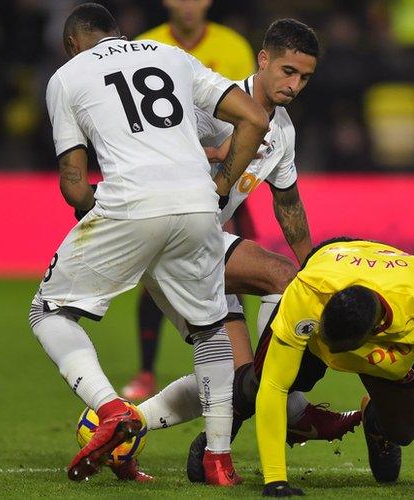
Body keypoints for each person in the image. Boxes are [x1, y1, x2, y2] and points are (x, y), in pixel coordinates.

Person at [28, 2, 268, 485]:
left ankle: (112, 409)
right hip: (199, 206)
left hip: (129, 203)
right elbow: (255, 119)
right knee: (210, 331)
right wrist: (221, 184)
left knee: (49, 312)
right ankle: (219, 462)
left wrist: (103, 213)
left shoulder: (68, 75)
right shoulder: (170, 54)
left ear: (72, 43)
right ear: (118, 33)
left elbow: (74, 183)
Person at [133, 18, 361, 483]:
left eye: (304, 77)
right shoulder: (209, 106)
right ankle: (286, 394)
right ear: (263, 60)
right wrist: (211, 154)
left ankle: (120, 423)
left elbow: (289, 206)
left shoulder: (283, 131)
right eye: (288, 71)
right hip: (170, 235)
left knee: (236, 383)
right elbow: (152, 150)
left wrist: (316, 265)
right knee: (282, 279)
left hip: (197, 242)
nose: (295, 85)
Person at [250, 237, 414, 496]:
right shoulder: (309, 292)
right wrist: (275, 480)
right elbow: (274, 383)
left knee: (404, 432)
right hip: (330, 273)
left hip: (395, 331)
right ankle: (216, 449)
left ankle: (374, 420)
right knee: (255, 384)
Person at [123, 0, 256, 401]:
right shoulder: (144, 46)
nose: (188, 4)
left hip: (223, 176)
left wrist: (223, 166)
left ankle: (243, 369)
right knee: (155, 280)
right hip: (166, 176)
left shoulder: (233, 46)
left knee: (239, 272)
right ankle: (146, 371)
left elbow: (247, 114)